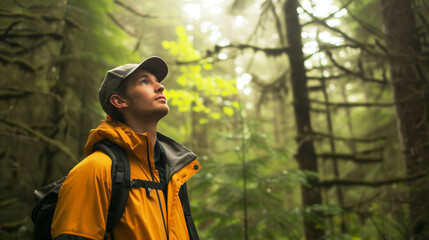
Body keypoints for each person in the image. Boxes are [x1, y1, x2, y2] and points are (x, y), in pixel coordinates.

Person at [51, 56, 202, 240]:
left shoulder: (174, 176)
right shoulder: (94, 170)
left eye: (157, 81)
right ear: (119, 101)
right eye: (145, 81)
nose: (160, 87)